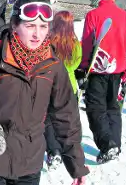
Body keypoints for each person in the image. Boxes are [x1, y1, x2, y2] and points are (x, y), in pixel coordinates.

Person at [0, 0, 88, 185]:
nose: (37, 34)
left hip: (29, 164)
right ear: (14, 25)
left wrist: (76, 165)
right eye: (30, 26)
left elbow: (66, 115)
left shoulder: (53, 67)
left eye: (43, 27)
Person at [79, 0, 126, 164]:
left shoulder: (93, 15)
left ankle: (108, 145)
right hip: (117, 68)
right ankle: (114, 144)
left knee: (95, 108)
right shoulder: (124, 16)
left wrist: (84, 65)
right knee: (112, 106)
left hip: (98, 68)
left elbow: (87, 42)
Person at [44, 10, 82, 169]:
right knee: (65, 119)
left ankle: (54, 150)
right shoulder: (75, 43)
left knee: (47, 119)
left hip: (50, 83)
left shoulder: (48, 41)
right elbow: (76, 64)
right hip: (69, 84)